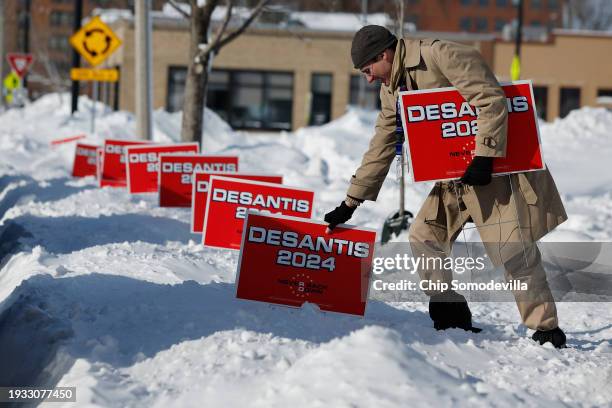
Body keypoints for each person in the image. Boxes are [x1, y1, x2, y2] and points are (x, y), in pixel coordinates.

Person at [324, 25, 568, 348]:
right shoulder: (391, 88)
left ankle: (546, 329)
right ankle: (450, 312)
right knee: (425, 236)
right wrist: (351, 202)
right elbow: (383, 143)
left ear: (383, 55)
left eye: (369, 70)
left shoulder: (440, 55)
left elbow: (490, 98)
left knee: (514, 251)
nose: (369, 78)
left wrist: (485, 155)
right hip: (453, 179)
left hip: (490, 172)